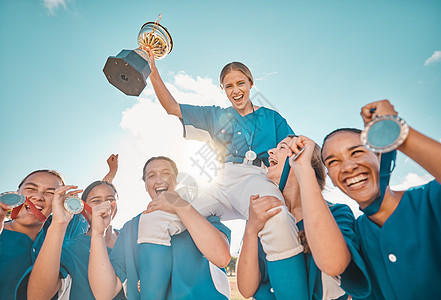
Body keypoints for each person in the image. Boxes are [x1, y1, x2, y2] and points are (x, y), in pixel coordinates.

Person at [138, 48, 307, 298]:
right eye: (228, 86)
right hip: (216, 180)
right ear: (223, 89)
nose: (235, 90)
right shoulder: (215, 115)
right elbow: (172, 107)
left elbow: (293, 151)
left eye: (240, 83)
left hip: (255, 178)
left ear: (251, 83)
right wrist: (152, 72)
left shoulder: (272, 118)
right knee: (156, 215)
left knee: (277, 217)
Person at [321, 99, 441, 299]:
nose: (348, 167)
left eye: (357, 152)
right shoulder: (355, 236)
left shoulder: (428, 200)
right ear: (331, 178)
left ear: (378, 155)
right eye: (333, 162)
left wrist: (393, 130)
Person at [237, 135, 371, 299]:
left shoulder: (336, 214)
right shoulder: (261, 215)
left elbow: (339, 268)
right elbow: (246, 290)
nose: (270, 151)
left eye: (282, 147)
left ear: (301, 158)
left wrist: (303, 169)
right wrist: (251, 229)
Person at [88, 156, 232, 299]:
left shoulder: (202, 211)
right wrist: (98, 233)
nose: (159, 180)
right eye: (151, 176)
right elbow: (104, 293)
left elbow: (221, 257)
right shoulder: (131, 228)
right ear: (146, 185)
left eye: (166, 173)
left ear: (176, 180)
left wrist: (180, 206)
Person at [27, 154, 125, 299]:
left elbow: (102, 192)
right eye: (96, 201)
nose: (104, 205)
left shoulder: (129, 236)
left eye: (110, 200)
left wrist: (111, 174)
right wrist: (59, 223)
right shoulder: (70, 245)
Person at [0, 170, 88, 300]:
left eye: (51, 193)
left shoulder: (63, 226)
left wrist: (110, 174)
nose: (38, 197)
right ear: (17, 193)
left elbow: (96, 201)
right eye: (30, 188)